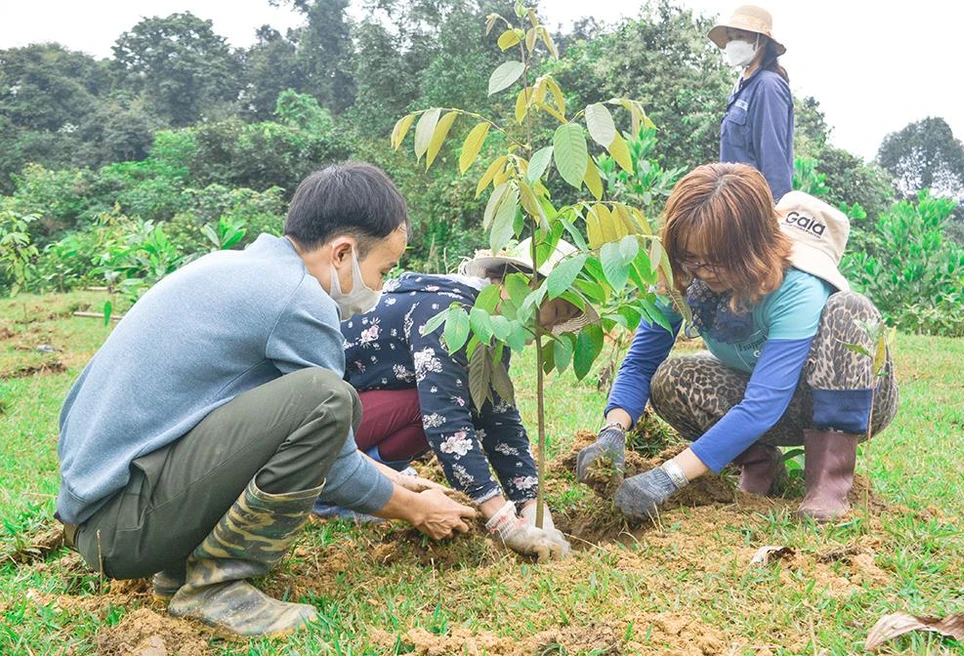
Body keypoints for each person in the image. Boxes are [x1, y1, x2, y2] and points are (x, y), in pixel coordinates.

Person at [55, 162, 476, 638]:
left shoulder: (234, 266)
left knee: (325, 403)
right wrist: (417, 508)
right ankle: (216, 587)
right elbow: (333, 465)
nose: (380, 286)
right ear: (342, 253)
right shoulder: (298, 299)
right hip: (123, 531)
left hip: (101, 514)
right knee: (328, 399)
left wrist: (399, 481)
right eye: (383, 269)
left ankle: (179, 568)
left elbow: (253, 430)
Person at [576, 163, 898, 522]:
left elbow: (762, 404)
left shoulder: (799, 286)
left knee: (851, 310)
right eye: (692, 258)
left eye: (717, 260)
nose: (703, 271)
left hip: (848, 403)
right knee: (671, 377)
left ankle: (828, 483)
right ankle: (760, 463)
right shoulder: (683, 275)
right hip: (773, 402)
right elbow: (641, 361)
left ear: (749, 249)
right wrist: (612, 432)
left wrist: (667, 477)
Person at [328, 240, 597, 560]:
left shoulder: (490, 327)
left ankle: (373, 480)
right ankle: (335, 491)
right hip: (326, 425)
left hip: (365, 413)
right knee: (436, 402)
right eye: (554, 312)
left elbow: (498, 417)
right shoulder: (447, 310)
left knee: (462, 398)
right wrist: (501, 518)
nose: (550, 327)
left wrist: (532, 504)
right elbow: (444, 420)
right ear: (523, 286)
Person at [708, 5, 794, 201]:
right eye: (730, 37)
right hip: (733, 204)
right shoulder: (742, 86)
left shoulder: (768, 86)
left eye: (740, 36)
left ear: (761, 40)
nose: (732, 43)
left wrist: (775, 217)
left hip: (754, 208)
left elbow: (774, 159)